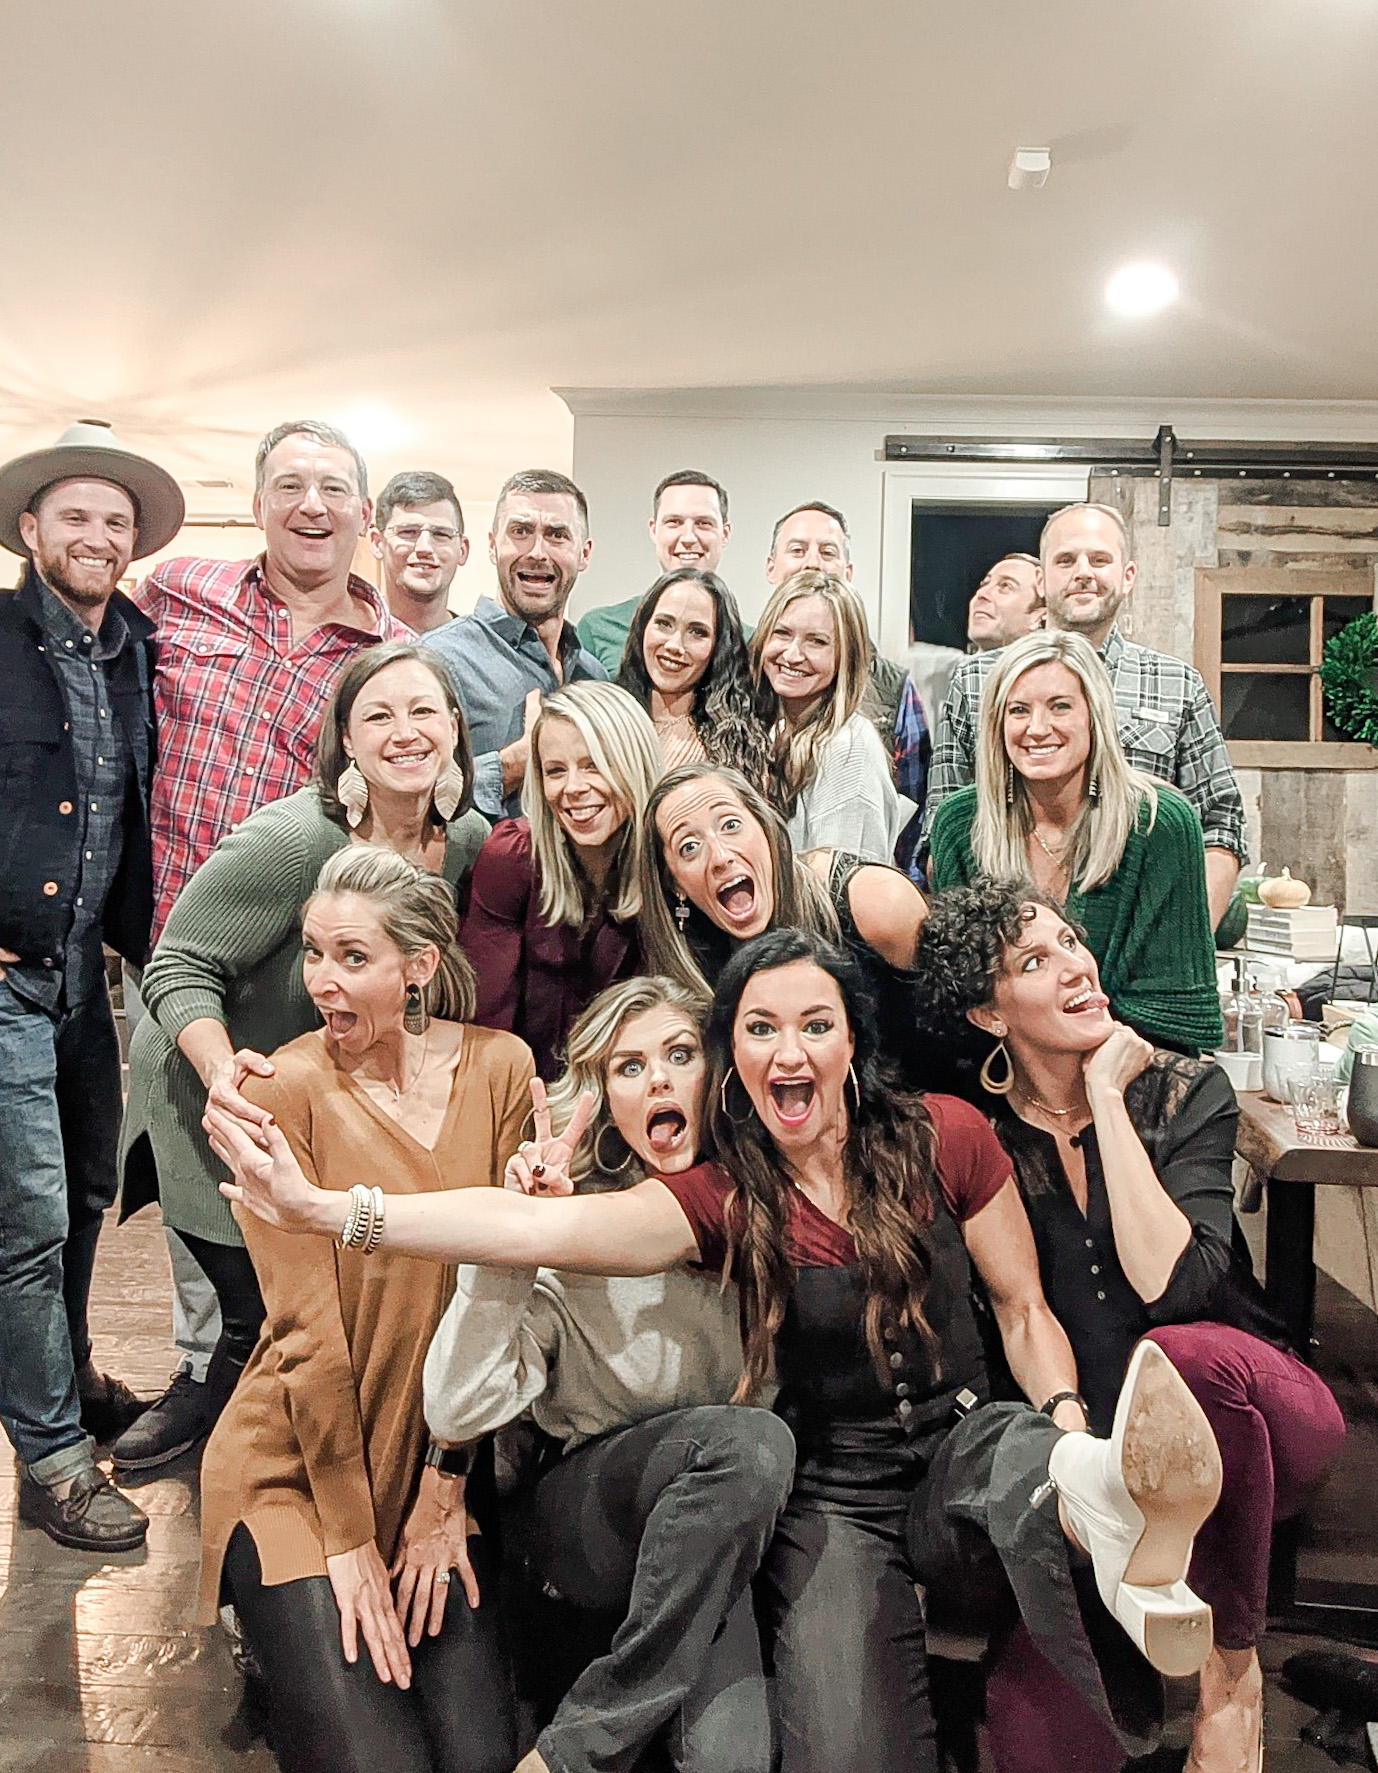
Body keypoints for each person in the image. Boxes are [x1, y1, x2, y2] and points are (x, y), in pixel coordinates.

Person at [209, 928, 1227, 1773]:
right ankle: (1088, 1499)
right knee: (835, 1748)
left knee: (1015, 1447)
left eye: (815, 1026)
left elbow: (1021, 1312)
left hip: (960, 1452)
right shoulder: (721, 1201)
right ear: (738, 1056)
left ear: (848, 1045)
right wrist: (324, 1208)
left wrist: (1066, 1417)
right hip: (824, 1497)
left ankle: (1094, 1493)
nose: (790, 1050)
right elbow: (525, 1235)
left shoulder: (945, 1133)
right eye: (760, 1029)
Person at [914, 880, 1348, 1773]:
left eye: (1073, 941)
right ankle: (1136, 1614)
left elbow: (1175, 1285)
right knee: (1040, 1740)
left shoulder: (1188, 1091)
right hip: (1110, 1479)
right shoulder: (980, 1135)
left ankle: (1233, 1673)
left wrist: (1108, 1097)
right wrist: (1076, 1457)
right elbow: (1014, 1314)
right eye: (1036, 961)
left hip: (1254, 1424)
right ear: (989, 1015)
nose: (1076, 964)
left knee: (1174, 1354)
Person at [116, 643, 489, 1472]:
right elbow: (177, 964)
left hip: (330, 1096)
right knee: (263, 1309)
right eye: (378, 715)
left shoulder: (466, 840)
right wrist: (222, 1076)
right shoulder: (292, 839)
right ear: (344, 741)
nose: (406, 732)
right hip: (217, 1084)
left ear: (456, 728)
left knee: (321, 1298)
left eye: (424, 711)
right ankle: (233, 1476)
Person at [198, 846, 529, 1773]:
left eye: (352, 957)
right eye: (312, 953)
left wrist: (443, 1489)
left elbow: (499, 1305)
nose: (321, 982)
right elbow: (306, 1340)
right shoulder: (280, 1090)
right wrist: (345, 1537)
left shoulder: (503, 1069)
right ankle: (268, 1622)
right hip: (300, 1468)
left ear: (418, 966)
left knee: (479, 1759)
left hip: (433, 1472)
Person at [129, 417, 412, 1458]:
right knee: (183, 1149)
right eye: (289, 485)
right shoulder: (174, 597)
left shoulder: (388, 661)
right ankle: (209, 1370)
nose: (311, 505)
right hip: (176, 938)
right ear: (255, 502)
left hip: (299, 970)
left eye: (334, 488)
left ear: (363, 517)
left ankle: (261, 1370)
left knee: (273, 1165)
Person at [424, 975, 792, 1773]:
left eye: (680, 1053)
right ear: (608, 1102)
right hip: (587, 1515)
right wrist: (518, 1246)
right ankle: (576, 1753)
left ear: (719, 1075)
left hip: (712, 1534)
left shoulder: (766, 1202)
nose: (657, 1077)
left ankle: (588, 1735)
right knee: (747, 1442)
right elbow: (457, 1405)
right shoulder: (581, 1219)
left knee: (737, 1760)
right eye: (629, 1066)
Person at [0, 420, 184, 1551]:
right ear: (31, 531)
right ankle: (55, 1459)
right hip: (6, 982)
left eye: (115, 523)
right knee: (21, 1224)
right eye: (75, 516)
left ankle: (53, 1389)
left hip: (88, 984)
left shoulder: (138, 647)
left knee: (76, 1205)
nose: (97, 536)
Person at [925, 502, 1247, 929]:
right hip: (1012, 943)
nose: (1083, 572)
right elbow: (943, 829)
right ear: (1041, 578)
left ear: (1127, 576)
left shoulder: (1177, 684)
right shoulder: (976, 680)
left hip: (1139, 941)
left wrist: (1184, 942)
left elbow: (1221, 825)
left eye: (1099, 560)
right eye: (1065, 560)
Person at [928, 629, 1223, 1055]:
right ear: (997, 724)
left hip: (1135, 1073)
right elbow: (961, 1001)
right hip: (1002, 1076)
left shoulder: (1162, 825)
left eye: (1060, 706)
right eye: (1018, 710)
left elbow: (1173, 1014)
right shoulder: (960, 823)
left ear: (1094, 715)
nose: (1037, 728)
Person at [640, 761, 933, 1085]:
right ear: (675, 882)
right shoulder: (693, 972)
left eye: (731, 825)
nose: (721, 857)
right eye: (690, 847)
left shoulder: (875, 904)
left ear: (765, 826)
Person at [461, 681, 660, 1078]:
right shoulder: (512, 858)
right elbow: (485, 1022)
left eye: (593, 765)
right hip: (525, 1093)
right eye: (555, 771)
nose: (572, 789)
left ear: (633, 764)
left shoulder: (669, 865)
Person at [428, 469, 606, 820]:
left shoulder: (593, 675)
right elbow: (405, 795)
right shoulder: (439, 660)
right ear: (493, 545)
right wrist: (512, 765)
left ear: (584, 554)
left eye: (557, 535)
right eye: (521, 532)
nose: (537, 552)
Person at [751, 567, 904, 861]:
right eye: (782, 633)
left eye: (816, 641)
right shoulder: (774, 731)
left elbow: (837, 891)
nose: (793, 654)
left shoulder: (848, 747)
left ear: (846, 657)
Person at [615, 565, 770, 780]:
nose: (674, 645)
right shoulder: (604, 719)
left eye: (698, 632)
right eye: (664, 623)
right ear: (643, 627)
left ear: (719, 647)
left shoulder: (738, 748)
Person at [577, 469, 731, 673]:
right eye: (674, 522)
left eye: (703, 524)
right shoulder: (599, 628)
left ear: (725, 534)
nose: (688, 538)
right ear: (653, 529)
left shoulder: (751, 642)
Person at [370, 470, 469, 634]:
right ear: (377, 543)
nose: (425, 548)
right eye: (408, 532)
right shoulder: (348, 646)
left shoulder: (479, 650)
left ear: (462, 550)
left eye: (441, 534)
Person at [967, 552, 1044, 651]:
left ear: (1038, 616)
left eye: (1006, 586)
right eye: (984, 584)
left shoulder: (1051, 665)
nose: (981, 593)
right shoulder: (947, 663)